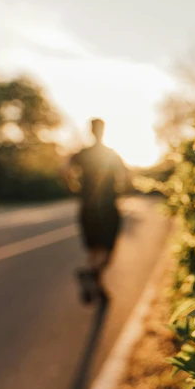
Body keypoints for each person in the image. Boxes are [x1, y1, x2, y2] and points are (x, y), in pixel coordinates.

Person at [65, 118, 129, 306]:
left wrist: (74, 187)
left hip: (87, 207)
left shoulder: (81, 154)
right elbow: (126, 175)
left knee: (94, 251)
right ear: (103, 131)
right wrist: (123, 189)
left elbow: (63, 169)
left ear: (91, 131)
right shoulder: (111, 154)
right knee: (107, 251)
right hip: (107, 207)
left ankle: (99, 290)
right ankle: (91, 274)